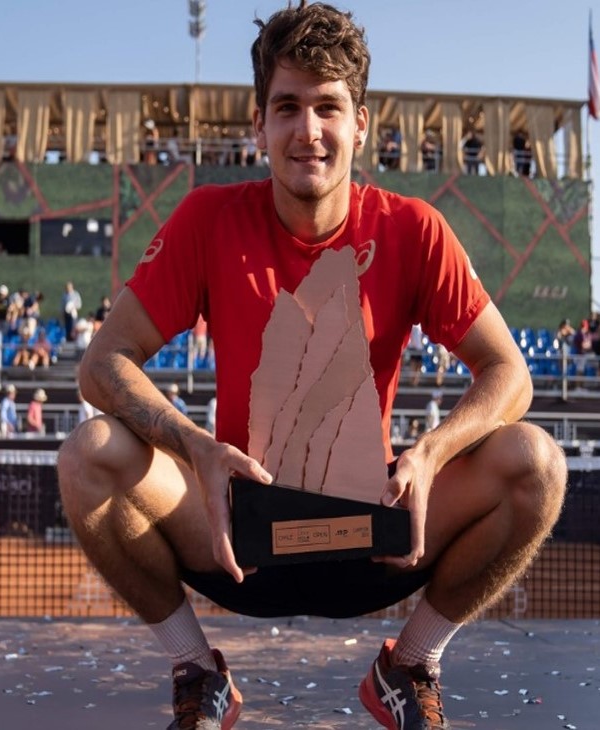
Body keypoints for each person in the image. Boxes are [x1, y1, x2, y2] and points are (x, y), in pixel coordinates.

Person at [56, 4, 567, 730]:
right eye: (287, 106)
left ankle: (412, 664)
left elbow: (510, 374)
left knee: (538, 465)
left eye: (328, 106)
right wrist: (193, 446)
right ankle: (199, 674)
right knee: (87, 458)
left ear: (361, 121)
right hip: (240, 538)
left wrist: (430, 453)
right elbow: (102, 364)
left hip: (372, 538)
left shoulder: (413, 230)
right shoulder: (207, 219)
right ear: (259, 124)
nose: (308, 130)